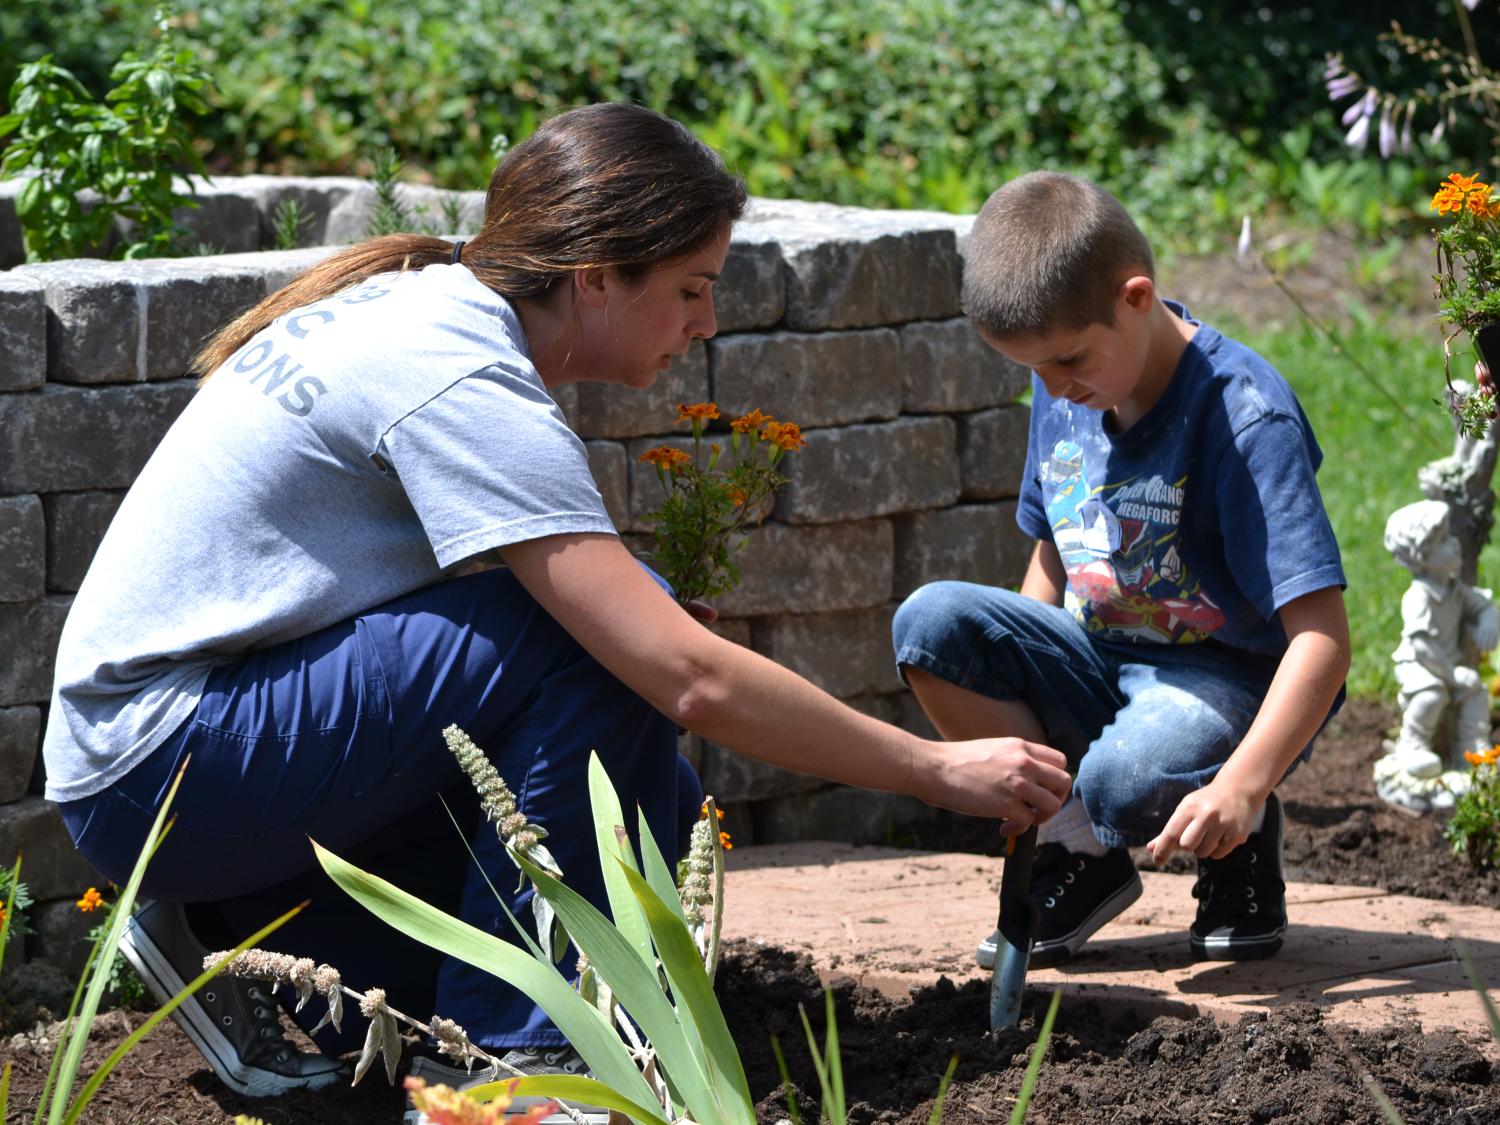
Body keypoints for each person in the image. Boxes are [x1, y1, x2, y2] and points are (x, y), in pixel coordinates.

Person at [40, 104, 1073, 1116]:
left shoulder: (431, 306)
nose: (706, 322)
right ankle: (513, 1077)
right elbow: (690, 676)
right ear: (592, 280)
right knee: (600, 654)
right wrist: (933, 768)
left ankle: (241, 937)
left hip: (178, 767)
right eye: (690, 289)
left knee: (648, 807)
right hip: (166, 767)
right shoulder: (461, 375)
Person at [892, 171, 1350, 968]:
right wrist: (1022, 755)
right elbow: (1051, 557)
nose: (1055, 387)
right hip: (1104, 652)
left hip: (1228, 677)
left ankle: (1238, 833)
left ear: (1136, 297)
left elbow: (1322, 639)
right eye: (1033, 371)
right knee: (929, 627)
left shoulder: (1243, 415)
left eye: (1067, 360)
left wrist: (1243, 781)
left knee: (1124, 781)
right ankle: (1083, 854)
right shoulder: (1067, 387)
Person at [1380, 499, 1498, 780]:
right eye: (1444, 540)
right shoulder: (1418, 598)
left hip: (1449, 665)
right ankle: (1413, 744)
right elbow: (1422, 647)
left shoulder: (1454, 589)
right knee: (1431, 694)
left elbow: (1483, 605)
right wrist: (1452, 674)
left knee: (1476, 693)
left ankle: (1470, 747)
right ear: (1422, 557)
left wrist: (1489, 623)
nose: (1456, 543)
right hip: (1420, 665)